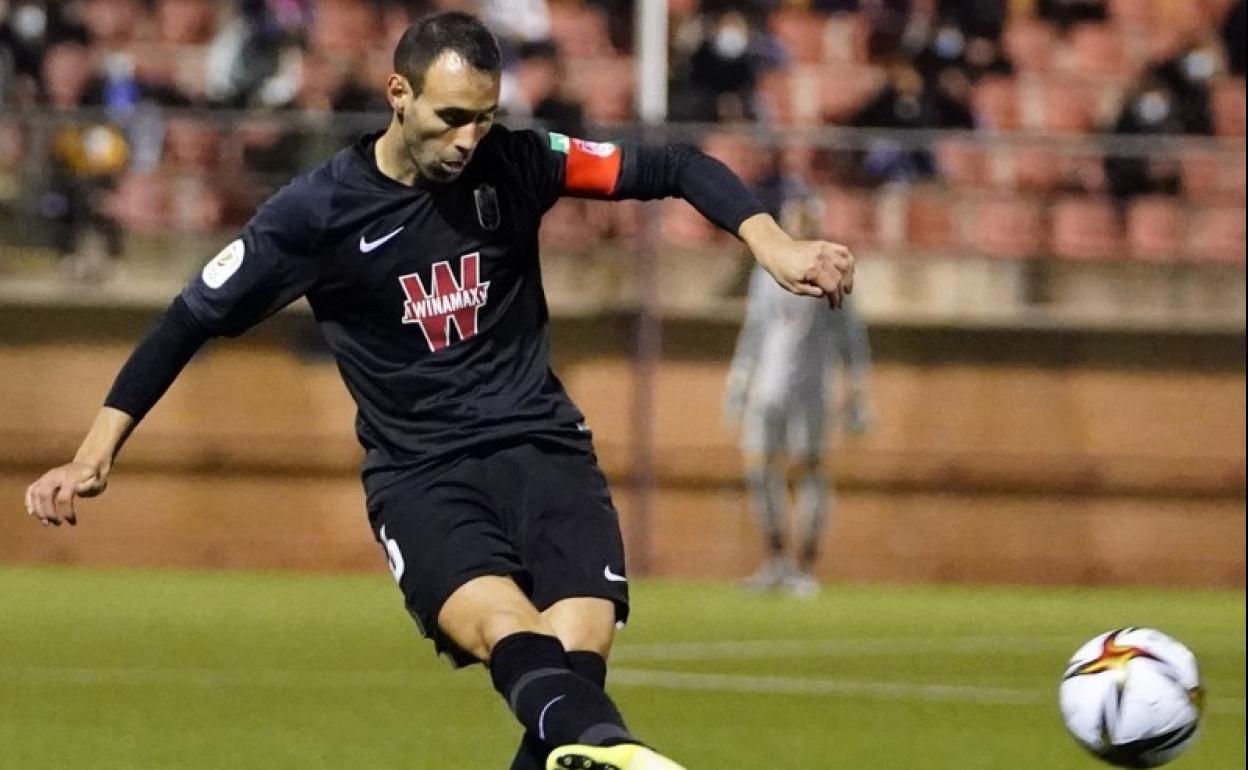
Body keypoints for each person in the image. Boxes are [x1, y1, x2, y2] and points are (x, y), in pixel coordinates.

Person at [23, 12, 855, 770]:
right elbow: (187, 319)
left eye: (484, 116)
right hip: (423, 477)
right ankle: (628, 757)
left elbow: (671, 165)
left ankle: (608, 752)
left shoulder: (519, 163)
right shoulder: (314, 213)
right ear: (398, 94)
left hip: (544, 450)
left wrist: (772, 245)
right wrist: (93, 455)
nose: (468, 138)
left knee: (573, 666)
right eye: (451, 116)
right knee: (509, 635)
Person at [725, 147, 871, 597]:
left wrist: (857, 392)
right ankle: (774, 559)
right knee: (760, 468)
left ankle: (804, 564)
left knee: (809, 469)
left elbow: (851, 338)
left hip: (811, 387)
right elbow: (754, 330)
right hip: (769, 386)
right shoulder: (766, 271)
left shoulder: (832, 270)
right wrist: (740, 380)